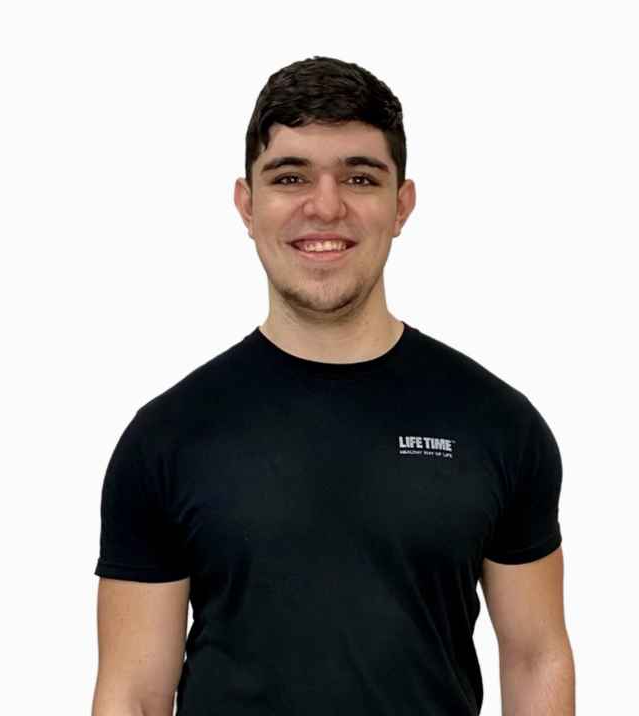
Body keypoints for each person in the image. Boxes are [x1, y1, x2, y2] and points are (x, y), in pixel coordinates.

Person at [92, 55, 575, 716]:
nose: (325, 206)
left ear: (402, 205)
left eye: (360, 177)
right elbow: (132, 693)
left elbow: (536, 655)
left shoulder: (497, 425)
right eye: (290, 177)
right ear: (247, 205)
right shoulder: (165, 439)